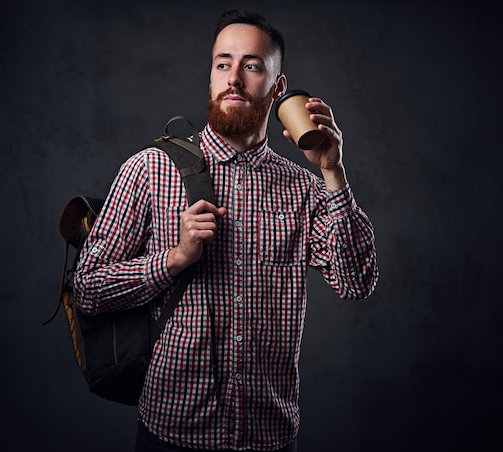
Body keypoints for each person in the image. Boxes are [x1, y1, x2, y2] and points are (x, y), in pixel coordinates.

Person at [74, 9, 378, 452]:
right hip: (172, 432)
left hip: (268, 437)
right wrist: (173, 259)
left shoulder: (305, 190)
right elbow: (88, 288)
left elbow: (357, 282)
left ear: (277, 87)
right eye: (223, 64)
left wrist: (333, 172)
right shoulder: (149, 170)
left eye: (251, 65)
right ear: (211, 77)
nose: (234, 77)